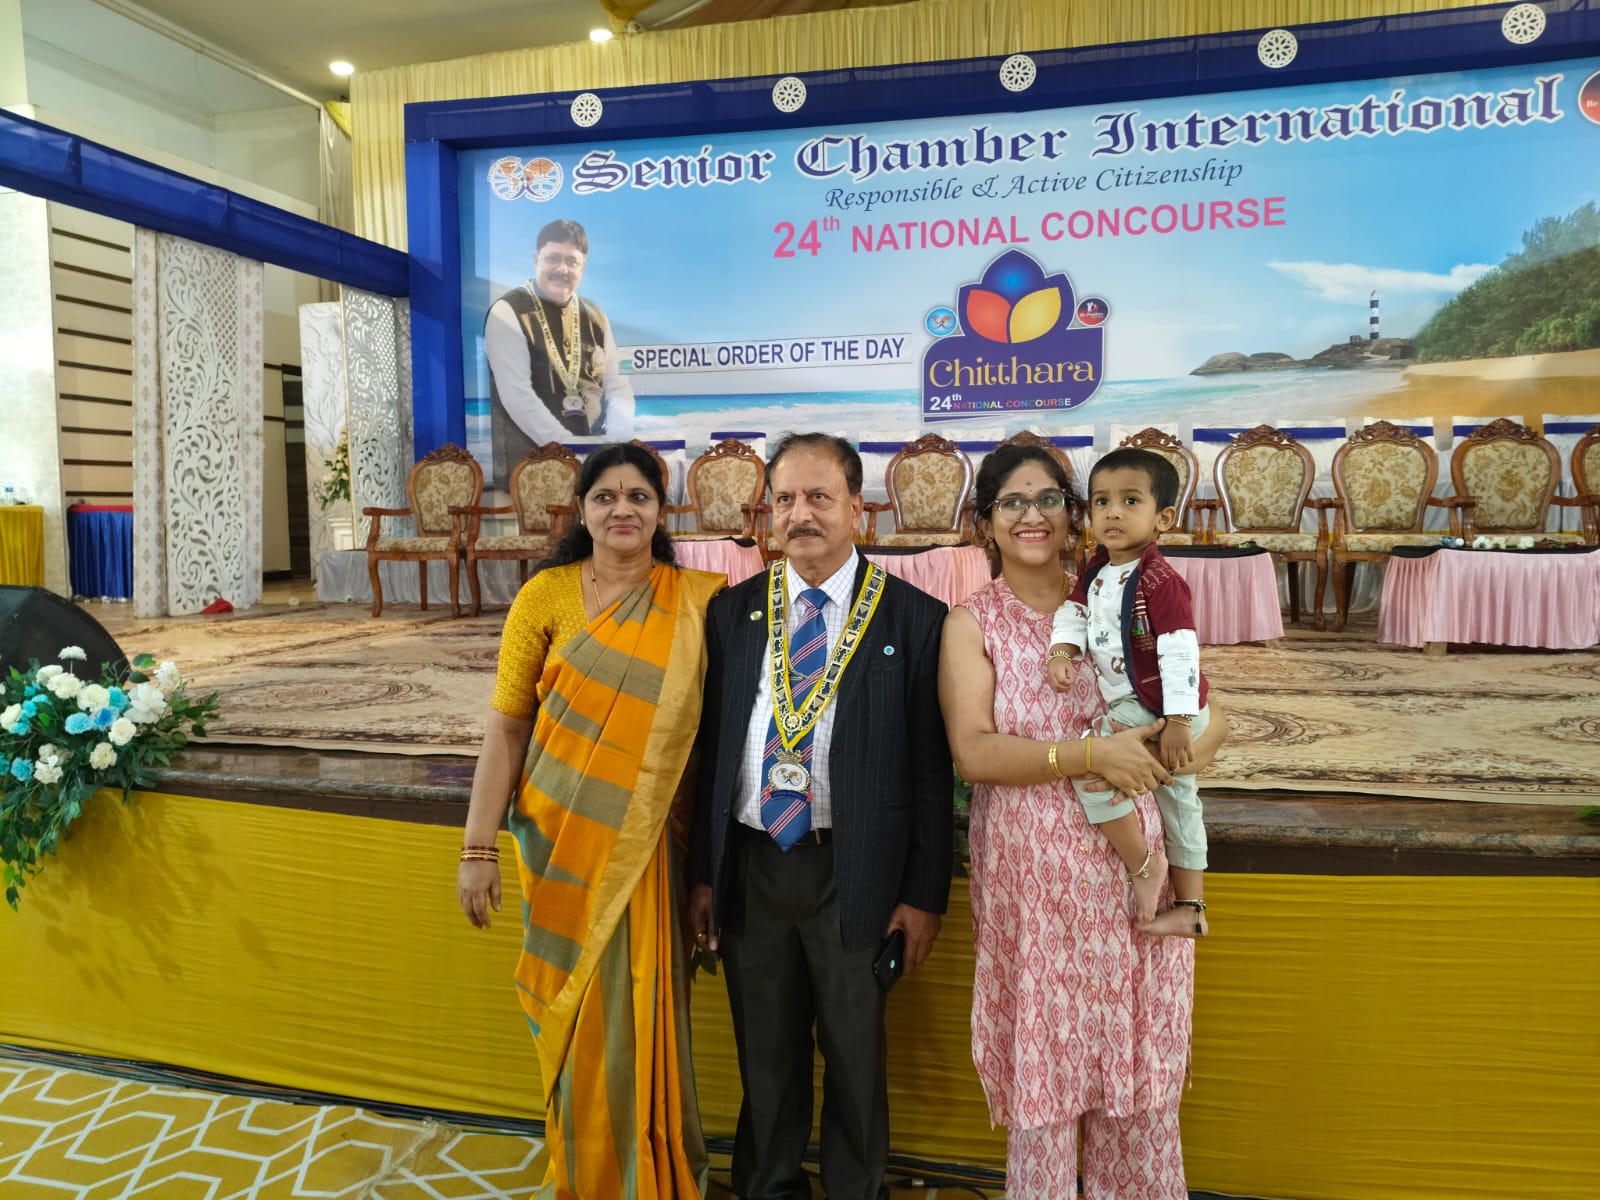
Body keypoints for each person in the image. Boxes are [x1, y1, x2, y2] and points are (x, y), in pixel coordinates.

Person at [937, 442, 1228, 1200]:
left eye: (1047, 499)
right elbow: (974, 752)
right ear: (986, 523)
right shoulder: (973, 623)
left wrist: (1169, 753)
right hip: (1035, 888)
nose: (1031, 515)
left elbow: (1209, 714)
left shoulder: (1121, 595)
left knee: (1138, 1076)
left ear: (1074, 515)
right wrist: (1091, 754)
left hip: (1134, 882)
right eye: (1011, 502)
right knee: (1048, 1076)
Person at [687, 432, 953, 1200]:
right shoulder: (731, 614)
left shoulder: (914, 620)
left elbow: (932, 774)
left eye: (819, 497)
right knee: (765, 1058)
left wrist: (924, 894)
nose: (799, 514)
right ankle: (767, 1188)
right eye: (784, 499)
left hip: (856, 872)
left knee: (855, 1057)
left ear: (857, 509)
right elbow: (710, 753)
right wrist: (704, 873)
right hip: (753, 867)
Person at [456, 441, 722, 1199]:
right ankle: (587, 1175)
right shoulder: (544, 598)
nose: (622, 510)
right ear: (581, 510)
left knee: (644, 1008)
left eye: (639, 496)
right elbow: (508, 727)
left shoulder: (697, 603)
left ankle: (652, 1173)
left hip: (649, 845)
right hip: (560, 843)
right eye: (605, 496)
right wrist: (477, 848)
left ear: (662, 512)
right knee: (577, 1011)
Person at [1046, 447, 1214, 936]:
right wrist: (1062, 652)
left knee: (1090, 762)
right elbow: (1074, 612)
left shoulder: (1161, 580)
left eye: (1130, 501)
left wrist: (1179, 720)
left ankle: (1143, 865)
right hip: (1144, 705)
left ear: (1163, 518)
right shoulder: (1096, 571)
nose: (1113, 512)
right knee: (1181, 800)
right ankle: (1192, 908)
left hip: (1159, 706)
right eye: (1102, 502)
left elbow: (1180, 651)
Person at [484, 218, 634, 482]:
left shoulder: (596, 315)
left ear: (582, 267)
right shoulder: (507, 312)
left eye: (572, 261)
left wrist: (617, 444)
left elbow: (618, 385)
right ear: (536, 259)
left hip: (596, 470)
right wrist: (568, 449)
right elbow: (517, 395)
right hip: (532, 472)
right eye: (553, 258)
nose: (562, 269)